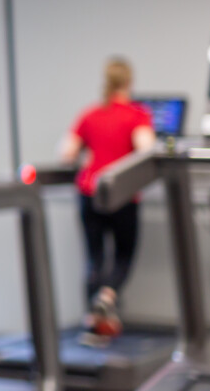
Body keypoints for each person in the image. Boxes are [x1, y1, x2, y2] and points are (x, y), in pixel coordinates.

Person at [59, 57, 155, 345]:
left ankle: (94, 321)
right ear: (129, 82)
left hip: (89, 191)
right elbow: (145, 151)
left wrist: (91, 156)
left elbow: (66, 153)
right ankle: (107, 296)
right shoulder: (137, 115)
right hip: (122, 194)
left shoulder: (90, 114)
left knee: (94, 258)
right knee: (124, 255)